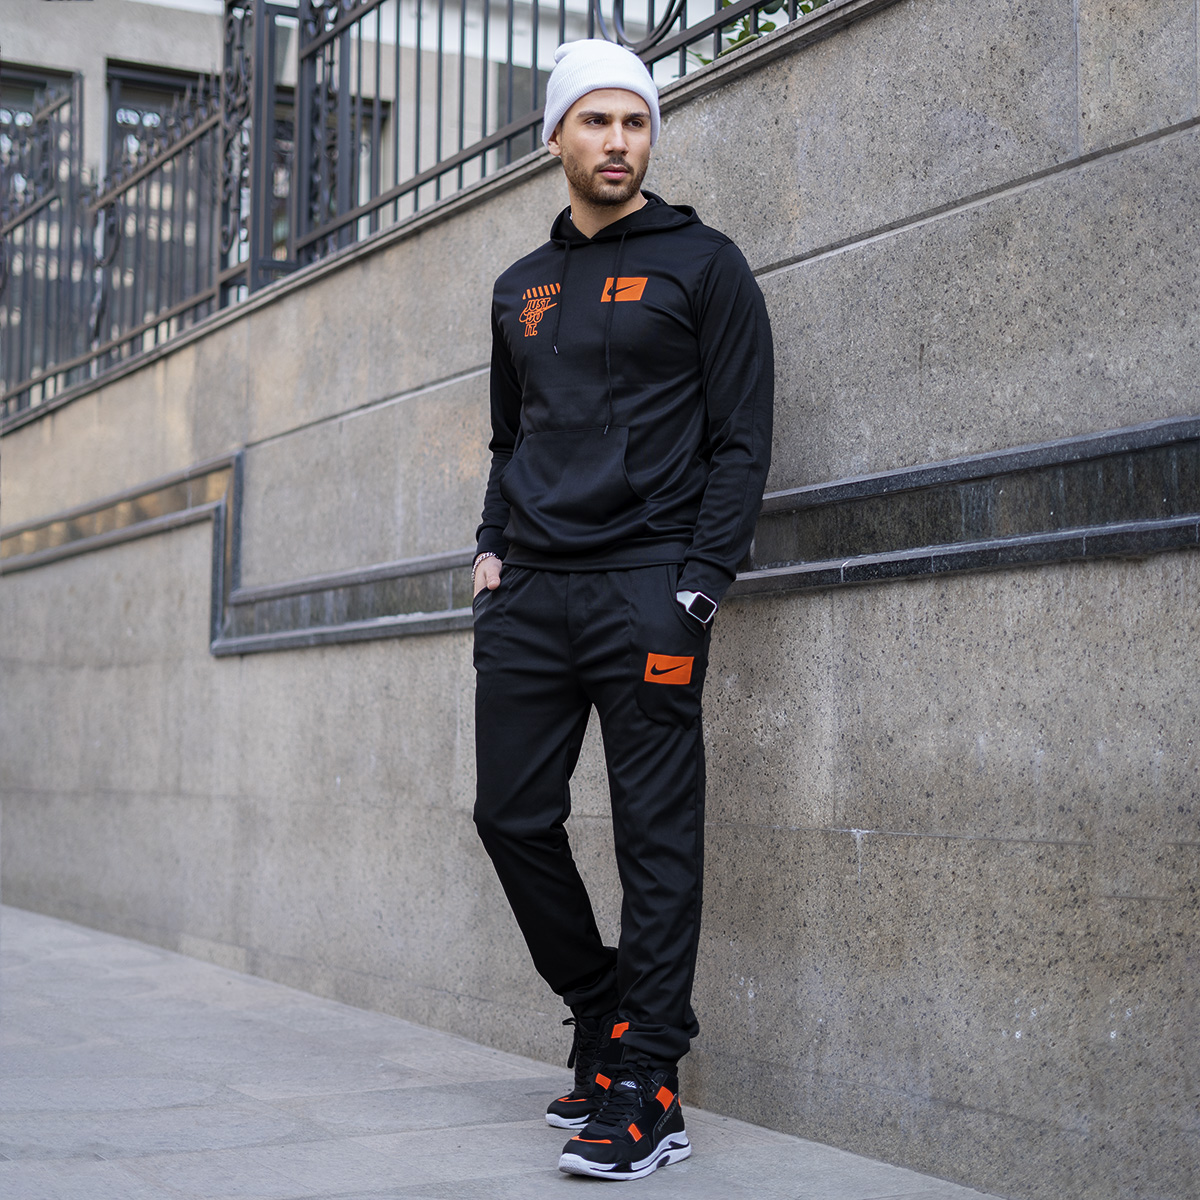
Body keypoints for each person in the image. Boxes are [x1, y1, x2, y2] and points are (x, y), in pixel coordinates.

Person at [471, 37, 774, 1182]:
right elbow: (509, 440)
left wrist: (699, 585)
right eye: (596, 121)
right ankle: (599, 1009)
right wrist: (491, 549)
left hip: (651, 586)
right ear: (555, 136)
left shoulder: (706, 265)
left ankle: (649, 1081)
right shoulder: (519, 287)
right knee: (510, 817)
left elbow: (743, 439)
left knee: (655, 839)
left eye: (635, 122)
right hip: (531, 593)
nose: (617, 141)